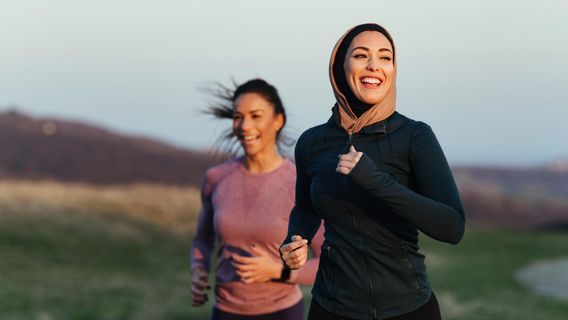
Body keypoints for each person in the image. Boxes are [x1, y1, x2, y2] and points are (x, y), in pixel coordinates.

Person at [280, 23, 465, 320]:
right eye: (361, 55)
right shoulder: (312, 143)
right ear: (340, 66)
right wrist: (295, 238)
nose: (374, 66)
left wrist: (375, 180)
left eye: (385, 57)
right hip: (330, 307)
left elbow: (453, 227)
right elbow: (305, 207)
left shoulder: (414, 136)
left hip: (407, 309)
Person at [191, 78, 324, 320]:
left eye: (255, 116)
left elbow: (326, 263)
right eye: (238, 116)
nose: (244, 125)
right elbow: (202, 239)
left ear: (278, 121)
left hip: (281, 312)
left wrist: (277, 270)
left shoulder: (298, 182)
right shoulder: (216, 178)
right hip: (224, 312)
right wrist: (198, 270)